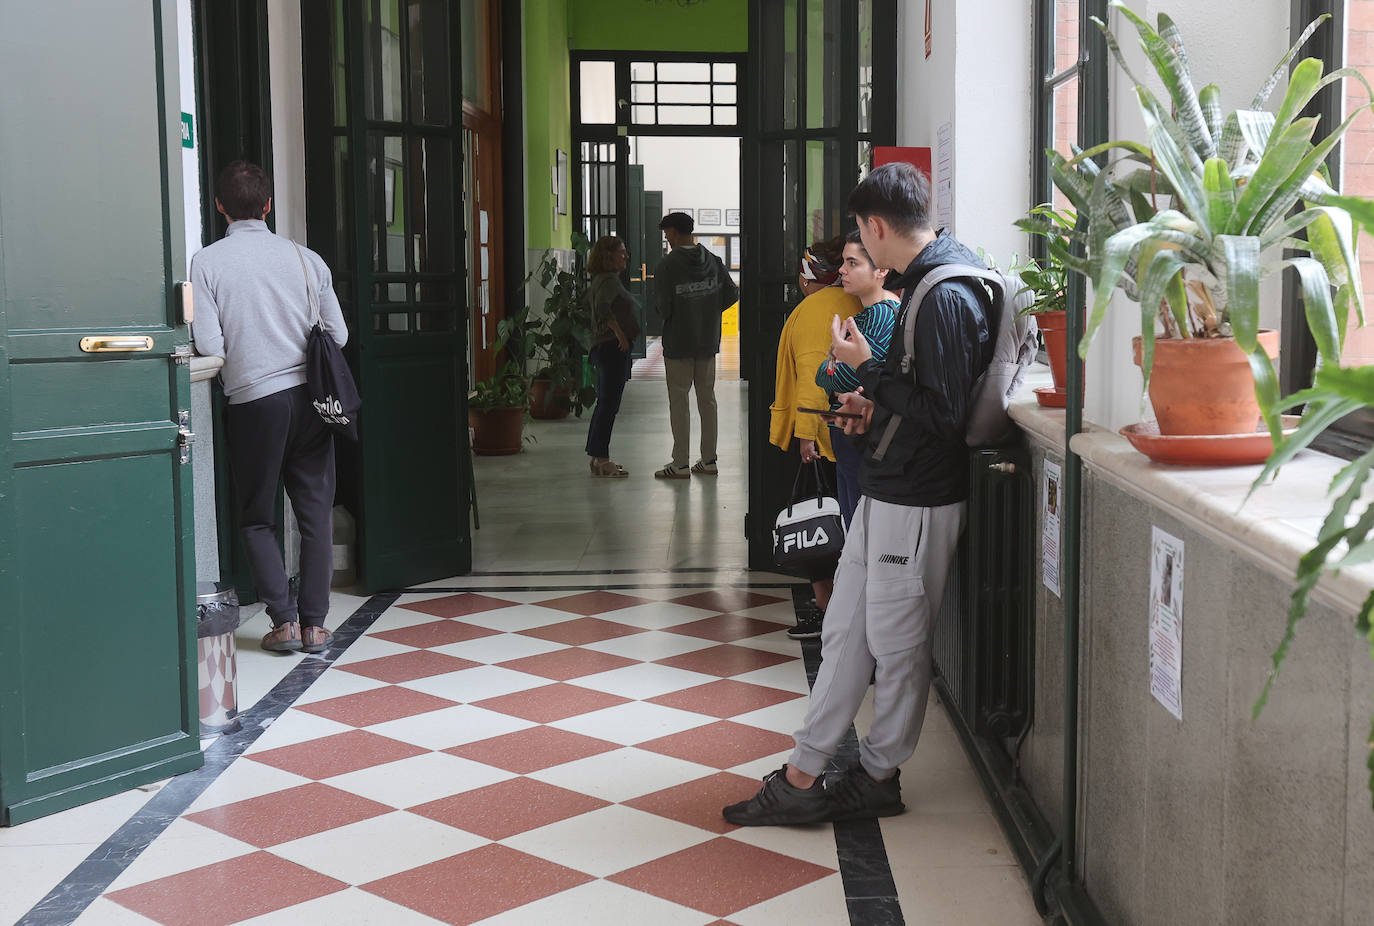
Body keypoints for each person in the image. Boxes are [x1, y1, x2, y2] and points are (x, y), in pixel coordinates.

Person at [724, 161, 993, 826]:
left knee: (897, 646)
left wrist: (864, 372)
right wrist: (870, 406)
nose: (857, 254)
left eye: (859, 241)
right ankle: (804, 771)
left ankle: (875, 774)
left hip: (920, 500)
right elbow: (925, 401)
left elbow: (947, 416)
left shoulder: (945, 294)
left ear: (877, 228)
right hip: (889, 488)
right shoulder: (929, 283)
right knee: (845, 630)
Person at [191, 161, 349, 655]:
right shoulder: (306, 259)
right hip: (311, 400)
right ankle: (316, 625)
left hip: (255, 404)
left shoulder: (207, 263)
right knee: (315, 514)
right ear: (268, 205)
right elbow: (338, 335)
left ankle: (282, 623)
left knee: (257, 516)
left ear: (220, 207)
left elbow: (211, 343)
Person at [768, 236, 860, 639]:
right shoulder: (858, 301)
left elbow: (811, 376)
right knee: (848, 523)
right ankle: (845, 611)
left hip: (824, 432)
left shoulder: (810, 311)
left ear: (807, 277)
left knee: (820, 523)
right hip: (855, 427)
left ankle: (828, 611)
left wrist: (805, 434)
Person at [815, 229, 900, 526]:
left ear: (881, 270)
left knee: (857, 526)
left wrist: (832, 362)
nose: (841, 270)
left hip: (860, 431)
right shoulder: (868, 314)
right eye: (843, 262)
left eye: (853, 263)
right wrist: (833, 364)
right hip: (854, 430)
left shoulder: (879, 315)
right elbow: (829, 375)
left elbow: (839, 379)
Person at [652, 211, 739, 480]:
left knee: (679, 401)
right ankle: (709, 460)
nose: (667, 240)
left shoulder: (667, 265)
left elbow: (663, 307)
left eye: (667, 235)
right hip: (707, 341)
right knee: (707, 400)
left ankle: (679, 464)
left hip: (679, 342)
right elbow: (732, 294)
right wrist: (707, 310)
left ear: (675, 233)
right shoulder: (713, 261)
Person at [585, 235, 639, 477]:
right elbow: (605, 309)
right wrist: (620, 335)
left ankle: (597, 456)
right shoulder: (608, 281)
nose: (625, 256)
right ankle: (603, 458)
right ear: (609, 256)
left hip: (605, 347)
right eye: (622, 252)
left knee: (605, 404)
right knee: (609, 405)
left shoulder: (603, 279)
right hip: (611, 347)